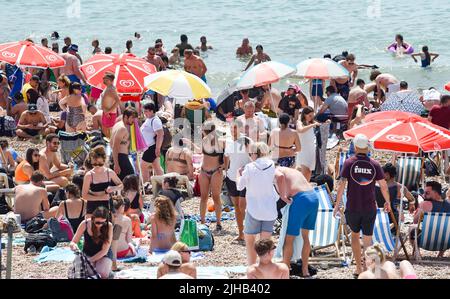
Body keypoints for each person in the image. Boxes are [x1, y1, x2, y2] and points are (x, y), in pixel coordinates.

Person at [333, 134, 391, 278]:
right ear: (367, 147)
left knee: (354, 236)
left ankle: (358, 267)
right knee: (367, 240)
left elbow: (341, 186)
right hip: (369, 207)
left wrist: (336, 205)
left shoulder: (349, 162)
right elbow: (383, 186)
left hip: (352, 206)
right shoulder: (375, 164)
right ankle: (366, 268)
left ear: (356, 146)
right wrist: (387, 202)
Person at [236, 142, 280, 265]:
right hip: (270, 208)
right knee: (265, 243)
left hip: (253, 209)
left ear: (256, 153)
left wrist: (238, 174)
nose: (250, 156)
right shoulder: (273, 165)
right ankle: (264, 268)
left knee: (250, 241)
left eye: (250, 154)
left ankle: (252, 268)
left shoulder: (250, 167)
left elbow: (240, 187)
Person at [274, 166, 319, 277]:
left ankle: (285, 271)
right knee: (305, 237)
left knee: (289, 238)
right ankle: (305, 271)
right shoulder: (292, 170)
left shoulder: (276, 171)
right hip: (313, 197)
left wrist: (283, 197)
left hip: (301, 199)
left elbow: (281, 183)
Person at [224, 121, 252, 241]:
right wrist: (226, 170)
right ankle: (241, 233)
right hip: (231, 177)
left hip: (244, 177)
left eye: (235, 128)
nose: (233, 130)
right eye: (231, 128)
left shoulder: (246, 140)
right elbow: (227, 157)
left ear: (240, 129)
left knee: (242, 206)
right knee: (236, 206)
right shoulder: (228, 142)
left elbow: (254, 156)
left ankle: (248, 232)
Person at [70, 207, 113, 279]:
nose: (100, 225)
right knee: (89, 272)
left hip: (103, 255)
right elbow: (73, 242)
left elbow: (104, 251)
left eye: (103, 222)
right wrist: (74, 246)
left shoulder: (109, 226)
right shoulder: (85, 224)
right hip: (88, 253)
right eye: (98, 222)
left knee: (102, 273)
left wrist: (89, 261)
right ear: (93, 219)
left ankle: (109, 272)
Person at [82, 146, 123, 218]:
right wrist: (101, 197)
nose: (97, 166)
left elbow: (121, 185)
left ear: (104, 161)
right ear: (91, 161)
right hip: (93, 207)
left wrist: (113, 188)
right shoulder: (89, 175)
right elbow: (84, 196)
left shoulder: (109, 172)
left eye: (100, 164)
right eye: (94, 164)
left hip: (107, 206)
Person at [199, 121, 225, 231]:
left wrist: (224, 165)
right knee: (203, 197)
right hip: (204, 170)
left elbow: (227, 155)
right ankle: (202, 221)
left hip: (216, 171)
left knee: (216, 197)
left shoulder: (221, 141)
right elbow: (202, 154)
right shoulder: (204, 140)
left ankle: (218, 222)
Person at [110, 107, 137, 181]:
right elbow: (115, 146)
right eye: (132, 118)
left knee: (120, 182)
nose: (133, 120)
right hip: (120, 158)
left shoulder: (117, 125)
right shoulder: (122, 128)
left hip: (118, 157)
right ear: (125, 117)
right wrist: (116, 164)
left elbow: (111, 142)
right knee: (131, 181)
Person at [111, 197, 136, 271]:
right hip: (124, 251)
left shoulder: (107, 217)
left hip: (109, 252)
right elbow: (129, 240)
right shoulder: (127, 220)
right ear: (121, 206)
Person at [140, 102, 164, 180]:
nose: (145, 113)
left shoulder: (155, 120)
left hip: (152, 147)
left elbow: (160, 134)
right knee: (156, 166)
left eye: (146, 111)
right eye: (144, 111)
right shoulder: (149, 119)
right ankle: (162, 183)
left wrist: (157, 148)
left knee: (143, 165)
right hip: (149, 147)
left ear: (151, 111)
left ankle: (146, 184)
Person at [296, 107, 321, 181]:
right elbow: (300, 130)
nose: (311, 117)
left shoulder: (312, 122)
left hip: (311, 149)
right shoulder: (299, 122)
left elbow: (320, 124)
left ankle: (307, 185)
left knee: (309, 170)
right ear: (304, 115)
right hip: (303, 150)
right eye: (309, 115)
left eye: (312, 115)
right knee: (304, 170)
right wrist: (312, 125)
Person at [100, 72, 121, 139]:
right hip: (106, 112)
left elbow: (118, 101)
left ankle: (112, 146)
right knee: (105, 131)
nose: (104, 81)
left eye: (106, 80)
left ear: (111, 80)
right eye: (104, 79)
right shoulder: (108, 88)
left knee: (110, 133)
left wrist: (108, 111)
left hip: (110, 114)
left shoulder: (111, 89)